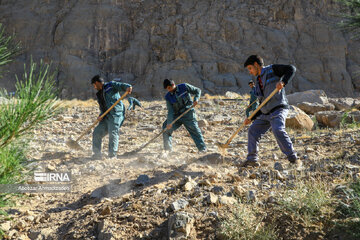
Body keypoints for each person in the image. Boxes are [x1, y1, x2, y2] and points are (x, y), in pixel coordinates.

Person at [242, 55, 301, 168]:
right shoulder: (258, 82)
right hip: (265, 113)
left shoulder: (272, 69)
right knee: (252, 131)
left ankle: (294, 159)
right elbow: (262, 104)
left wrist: (283, 82)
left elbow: (291, 69)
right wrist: (251, 118)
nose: (249, 72)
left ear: (256, 65)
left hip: (278, 109)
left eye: (250, 68)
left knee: (277, 129)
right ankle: (252, 160)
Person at [91, 75, 132, 159]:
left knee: (113, 133)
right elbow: (102, 108)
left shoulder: (111, 85)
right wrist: (100, 116)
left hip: (116, 114)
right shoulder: (99, 94)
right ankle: (97, 154)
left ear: (97, 83)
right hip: (106, 116)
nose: (94, 87)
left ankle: (112, 156)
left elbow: (122, 86)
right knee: (96, 132)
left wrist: (128, 87)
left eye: (94, 85)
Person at [162, 79, 207, 152]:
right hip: (176, 116)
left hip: (188, 113)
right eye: (167, 89)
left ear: (173, 85)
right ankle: (168, 150)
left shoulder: (184, 87)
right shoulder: (168, 97)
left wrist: (196, 99)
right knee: (166, 128)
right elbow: (170, 111)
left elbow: (197, 90)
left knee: (194, 130)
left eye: (169, 88)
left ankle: (202, 149)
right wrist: (169, 122)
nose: (168, 90)